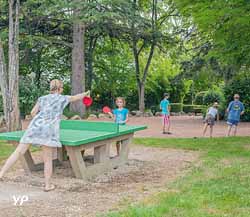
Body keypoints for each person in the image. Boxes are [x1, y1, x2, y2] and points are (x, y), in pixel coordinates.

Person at [0, 79, 90, 192]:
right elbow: (76, 97)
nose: (62, 89)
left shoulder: (42, 98)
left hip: (35, 127)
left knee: (18, 151)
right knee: (48, 159)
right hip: (49, 130)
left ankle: (1, 174)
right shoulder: (63, 98)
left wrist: (39, 120)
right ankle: (47, 185)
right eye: (62, 88)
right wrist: (86, 94)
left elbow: (33, 112)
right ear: (59, 88)